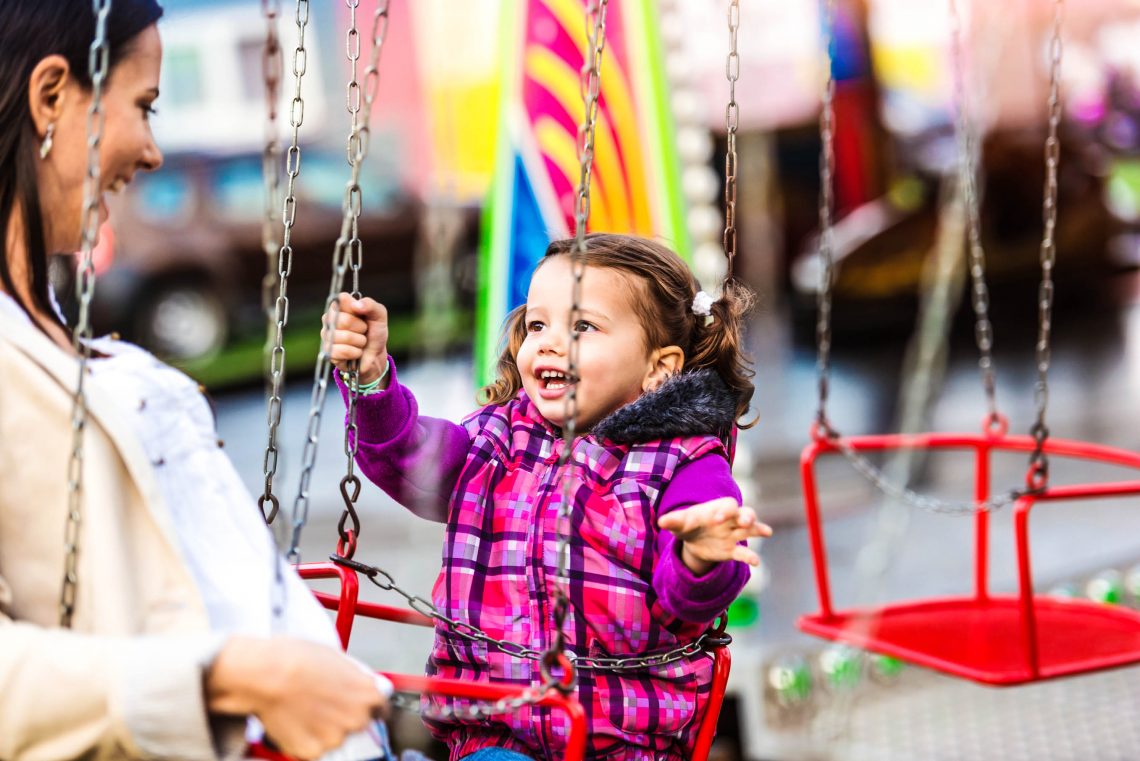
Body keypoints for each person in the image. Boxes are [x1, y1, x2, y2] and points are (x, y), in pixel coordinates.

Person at [0, 3, 392, 759]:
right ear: (52, 97)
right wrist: (226, 675)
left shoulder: (68, 341)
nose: (150, 152)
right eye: (143, 107)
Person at [326, 233, 772, 761]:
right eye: (537, 324)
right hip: (494, 729)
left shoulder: (685, 462)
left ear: (659, 367)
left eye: (582, 326)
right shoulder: (495, 439)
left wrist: (699, 554)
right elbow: (408, 457)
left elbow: (691, 594)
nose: (550, 342)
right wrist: (373, 382)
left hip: (621, 741)